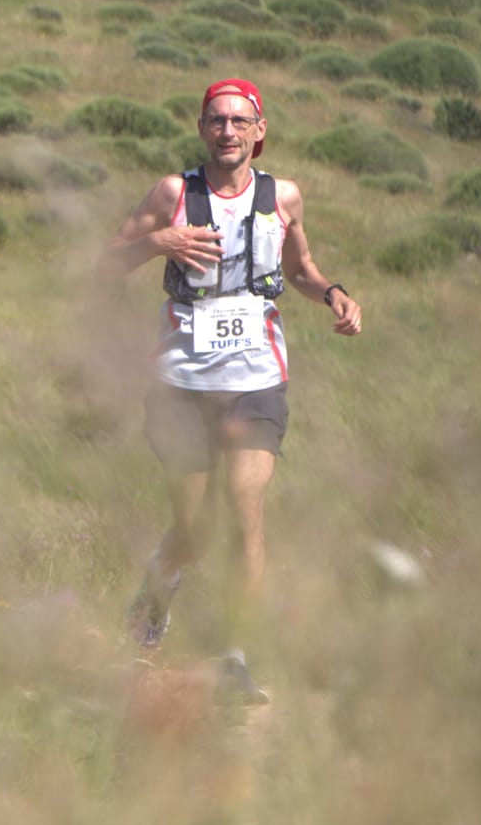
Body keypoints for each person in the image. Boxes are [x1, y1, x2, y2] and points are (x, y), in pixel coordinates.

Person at [100, 77, 363, 702]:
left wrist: (333, 293)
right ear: (201, 129)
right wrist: (156, 243)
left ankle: (235, 657)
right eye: (216, 120)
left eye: (240, 122)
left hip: (256, 381)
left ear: (259, 132)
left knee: (246, 512)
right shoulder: (174, 193)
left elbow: (299, 269)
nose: (228, 131)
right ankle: (158, 585)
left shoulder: (283, 197)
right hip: (181, 383)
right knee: (195, 529)